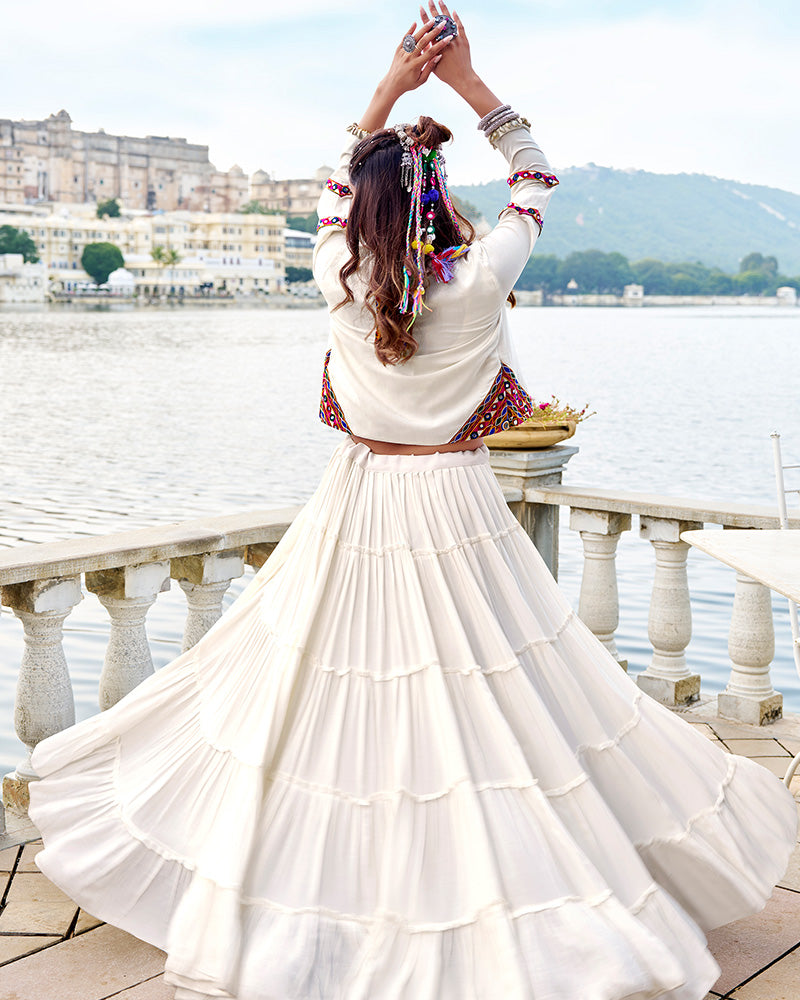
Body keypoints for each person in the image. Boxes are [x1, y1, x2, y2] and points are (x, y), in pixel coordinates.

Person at [28, 5, 797, 999]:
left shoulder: (330, 279)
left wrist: (388, 90)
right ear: (437, 206)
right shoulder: (479, 282)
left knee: (323, 705)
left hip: (357, 503)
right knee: (490, 706)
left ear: (366, 214)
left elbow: (330, 189)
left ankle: (331, 891)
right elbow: (532, 175)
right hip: (456, 506)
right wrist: (469, 84)